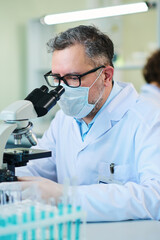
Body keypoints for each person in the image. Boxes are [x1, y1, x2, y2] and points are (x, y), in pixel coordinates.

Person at [15, 25, 160, 222]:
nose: (62, 89)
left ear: (106, 76)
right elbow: (36, 168)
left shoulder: (150, 119)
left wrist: (66, 197)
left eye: (73, 78)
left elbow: (155, 197)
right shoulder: (63, 120)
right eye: (57, 78)